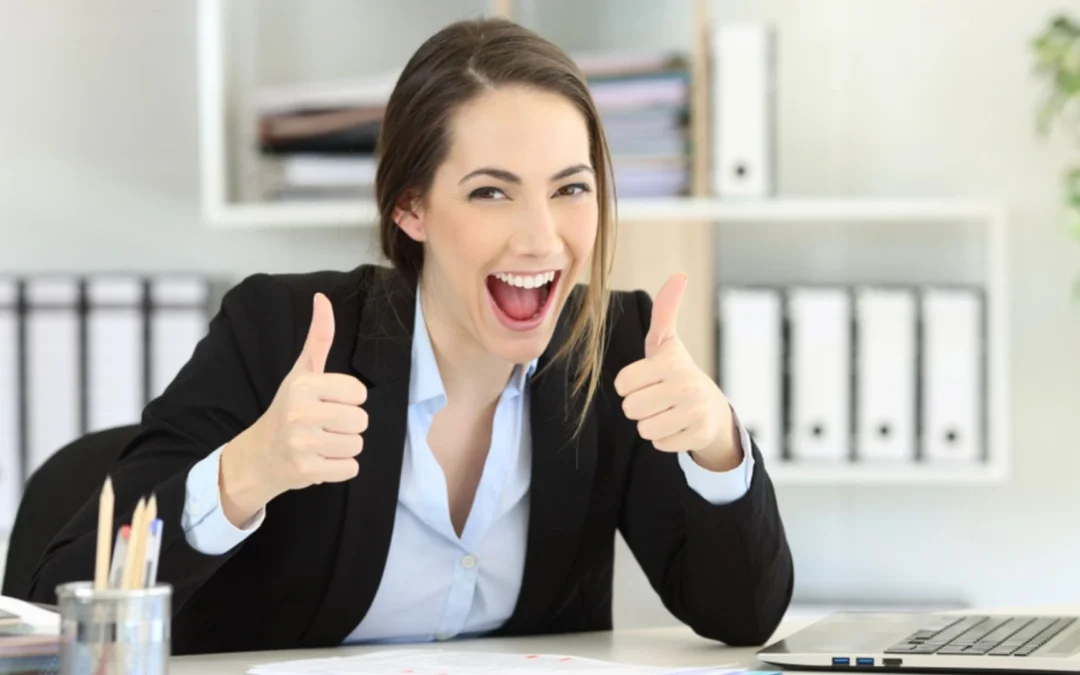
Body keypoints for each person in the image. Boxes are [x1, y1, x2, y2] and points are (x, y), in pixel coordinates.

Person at [29, 17, 793, 655]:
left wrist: (717, 444)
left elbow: (744, 614)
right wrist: (245, 473)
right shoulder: (281, 333)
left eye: (570, 187)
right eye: (491, 192)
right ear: (410, 208)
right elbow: (52, 607)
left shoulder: (615, 346)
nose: (542, 237)